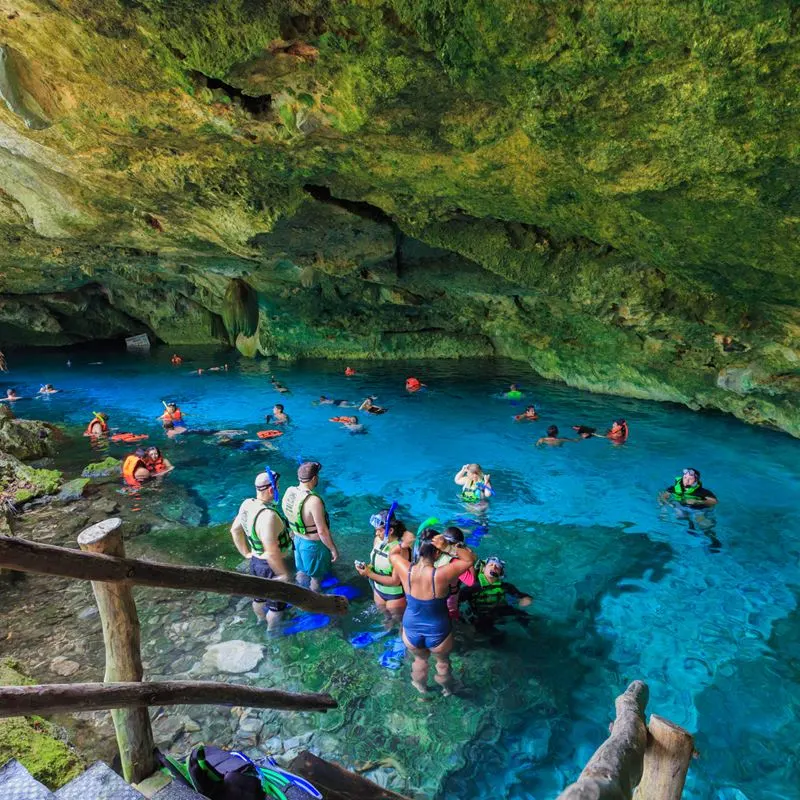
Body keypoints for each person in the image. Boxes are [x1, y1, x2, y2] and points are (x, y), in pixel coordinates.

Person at [389, 530, 477, 697]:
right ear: (437, 553)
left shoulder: (405, 568)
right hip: (438, 629)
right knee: (442, 664)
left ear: (418, 550)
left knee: (420, 660)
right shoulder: (442, 574)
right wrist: (449, 548)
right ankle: (447, 690)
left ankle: (421, 690)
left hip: (411, 627)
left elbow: (392, 554)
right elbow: (470, 559)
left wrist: (403, 544)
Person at [230, 469, 293, 630]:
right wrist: (282, 574)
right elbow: (272, 552)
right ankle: (272, 631)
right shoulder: (268, 516)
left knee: (258, 598)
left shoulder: (247, 504)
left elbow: (235, 530)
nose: (278, 489)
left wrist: (246, 553)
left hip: (255, 562)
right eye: (277, 487)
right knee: (276, 607)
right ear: (272, 490)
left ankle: (259, 620)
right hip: (269, 568)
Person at [281, 461, 339, 591]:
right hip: (313, 546)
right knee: (316, 577)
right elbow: (322, 531)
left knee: (301, 570)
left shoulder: (290, 491)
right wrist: (333, 549)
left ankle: (299, 593)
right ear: (314, 478)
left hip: (297, 541)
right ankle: (315, 599)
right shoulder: (313, 501)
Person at [355, 512, 409, 622]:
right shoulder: (377, 541)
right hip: (378, 591)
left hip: (395, 595)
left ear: (390, 530)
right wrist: (367, 568)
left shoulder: (400, 550)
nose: (376, 533)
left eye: (379, 530)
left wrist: (369, 574)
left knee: (399, 622)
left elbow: (395, 581)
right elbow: (374, 563)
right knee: (386, 619)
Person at [459, 557, 533, 635]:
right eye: (491, 565)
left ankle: (530, 632)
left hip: (501, 611)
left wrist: (526, 599)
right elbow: (456, 601)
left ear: (500, 573)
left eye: (497, 567)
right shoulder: (472, 588)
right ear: (483, 569)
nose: (494, 567)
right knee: (495, 635)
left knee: (525, 616)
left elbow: (520, 595)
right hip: (481, 616)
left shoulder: (505, 586)